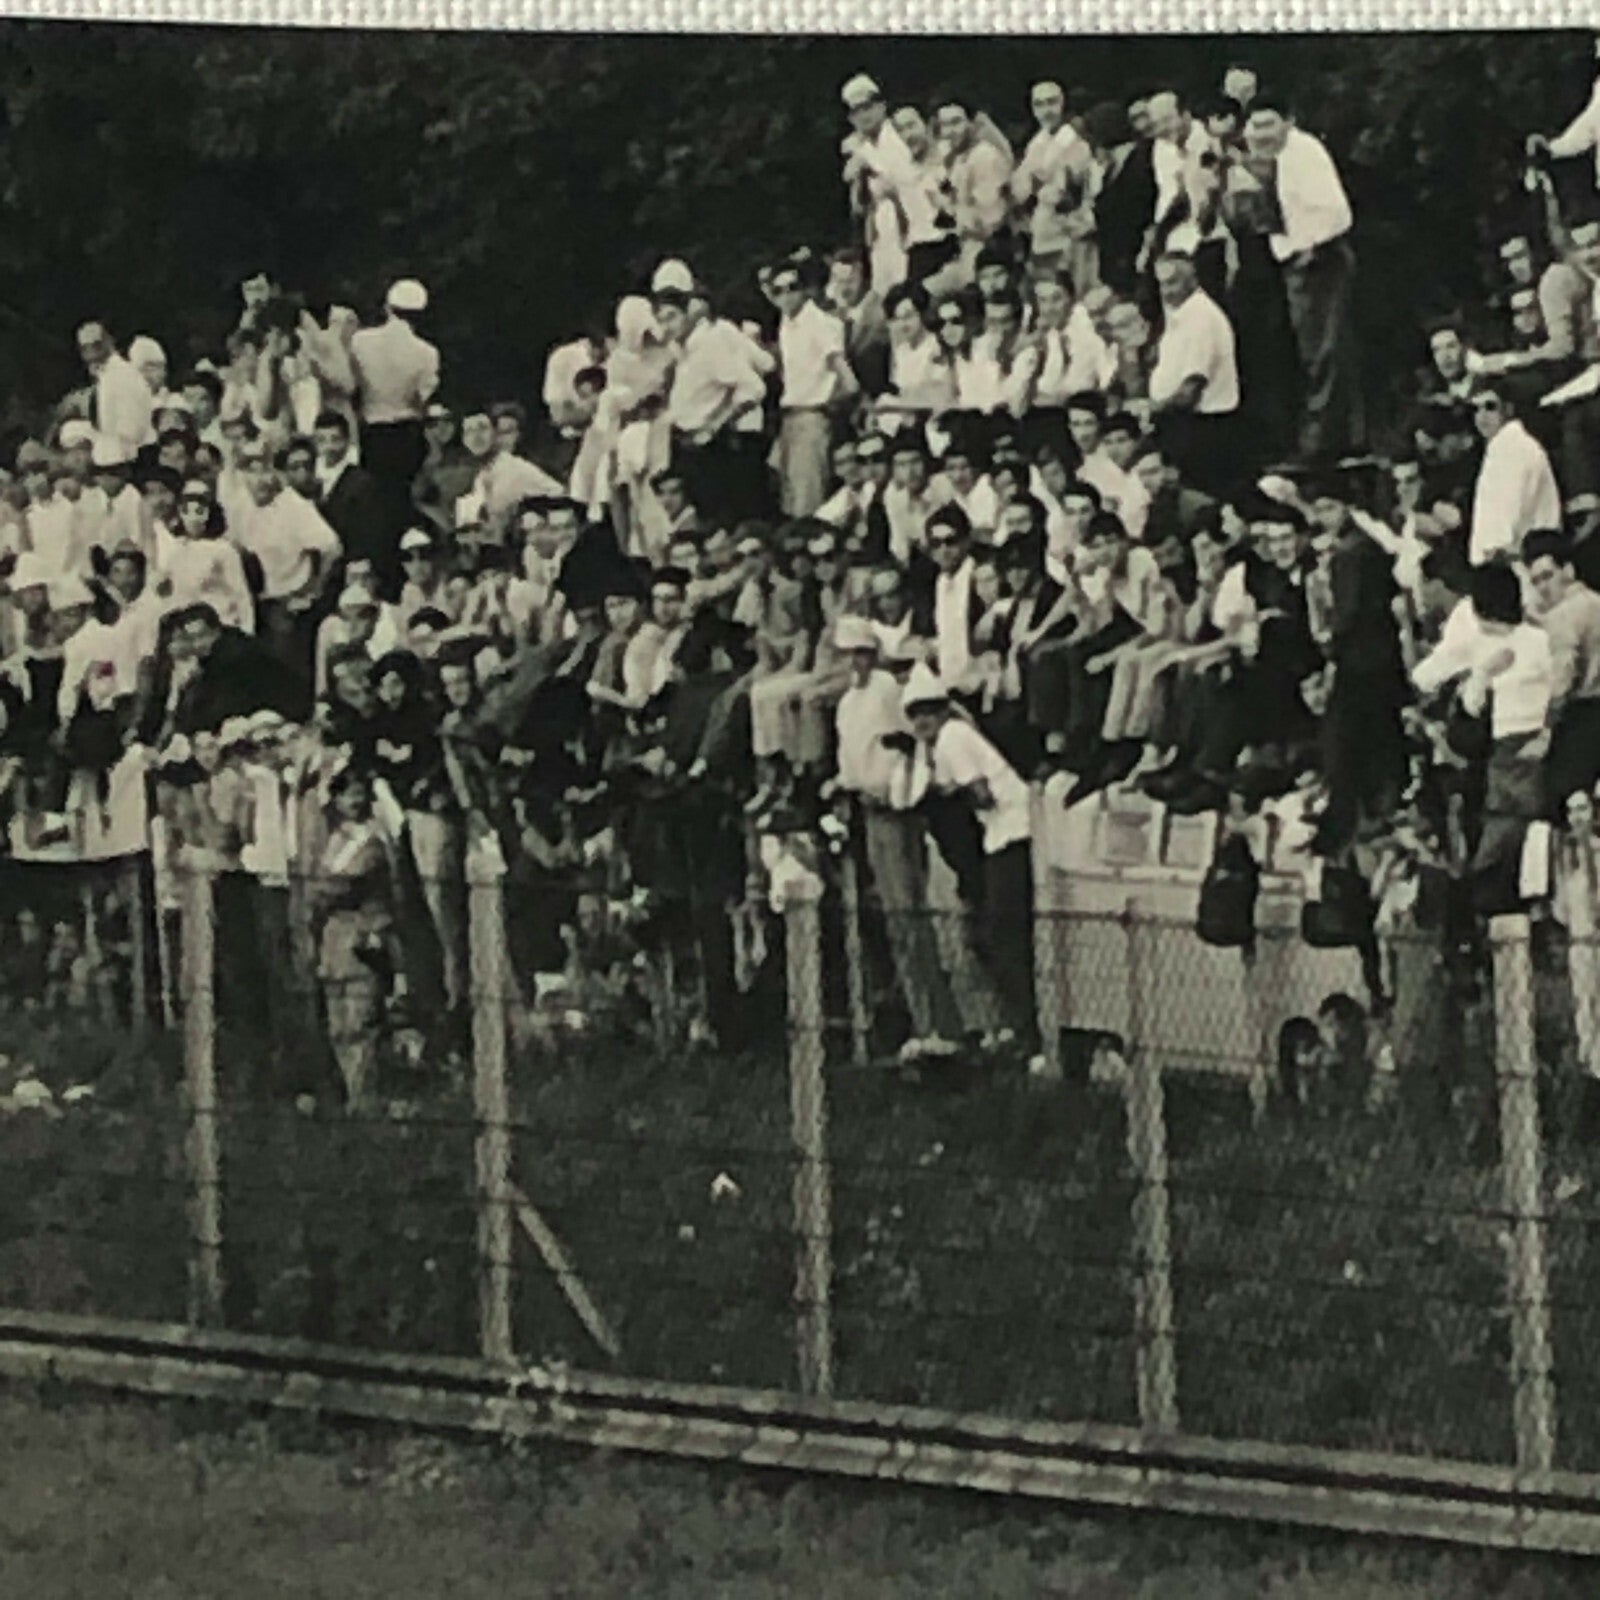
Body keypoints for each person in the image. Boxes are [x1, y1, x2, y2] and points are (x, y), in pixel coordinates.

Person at [891, 662, 1036, 1055]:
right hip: (1001, 835)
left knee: (1004, 936)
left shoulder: (953, 738)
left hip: (1014, 831)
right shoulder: (943, 743)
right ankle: (1023, 1028)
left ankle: (1030, 1032)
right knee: (999, 935)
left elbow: (983, 794)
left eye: (928, 711)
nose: (922, 720)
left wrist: (947, 789)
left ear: (942, 710)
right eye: (915, 713)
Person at [1245, 96, 1363, 458]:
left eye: (1269, 124)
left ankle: (1329, 441)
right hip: (1293, 264)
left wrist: (1309, 250)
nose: (1261, 133)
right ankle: (1325, 436)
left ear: (1288, 121)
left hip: (1320, 261)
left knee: (1327, 351)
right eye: (1255, 125)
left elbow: (1337, 213)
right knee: (1308, 352)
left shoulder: (1306, 153)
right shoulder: (1267, 160)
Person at [348, 279, 440, 589]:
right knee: (402, 506)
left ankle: (381, 574)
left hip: (373, 431)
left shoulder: (361, 341)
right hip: (406, 432)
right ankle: (404, 578)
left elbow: (353, 386)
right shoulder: (427, 353)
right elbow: (421, 399)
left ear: (387, 308)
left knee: (375, 509)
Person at [654, 283, 770, 528]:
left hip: (714, 449)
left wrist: (716, 423)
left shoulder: (710, 343)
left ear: (687, 314)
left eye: (672, 317)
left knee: (722, 521)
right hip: (686, 447)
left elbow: (753, 387)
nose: (668, 326)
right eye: (661, 320)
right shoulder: (680, 350)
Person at [227, 437, 341, 675]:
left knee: (284, 673)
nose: (259, 478)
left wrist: (313, 590)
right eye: (250, 470)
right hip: (251, 604)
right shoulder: (238, 505)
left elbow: (332, 548)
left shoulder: (294, 505)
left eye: (264, 469)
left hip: (285, 607)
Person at [1148, 251, 1241, 496]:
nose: (1166, 292)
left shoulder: (1201, 318)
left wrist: (1151, 410)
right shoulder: (1182, 315)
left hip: (1202, 431)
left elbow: (1190, 390)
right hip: (1185, 426)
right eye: (1161, 284)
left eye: (1172, 283)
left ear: (1192, 280)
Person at [771, 262, 857, 518]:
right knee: (787, 498)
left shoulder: (820, 323)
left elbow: (849, 381)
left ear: (805, 290)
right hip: (789, 418)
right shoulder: (787, 324)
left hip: (812, 417)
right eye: (778, 290)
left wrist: (825, 403)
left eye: (792, 288)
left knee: (807, 503)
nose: (786, 295)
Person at [1525, 527, 1600, 807]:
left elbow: (1563, 677)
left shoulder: (1565, 615)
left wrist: (1546, 731)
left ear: (1567, 570)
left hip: (1583, 715)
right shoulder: (1595, 602)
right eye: (1536, 581)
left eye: (1548, 576)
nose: (1544, 587)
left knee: (1563, 799)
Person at [1011, 80, 1097, 290]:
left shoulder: (1077, 144)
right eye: (1039, 105)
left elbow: (1065, 194)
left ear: (1062, 105)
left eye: (1051, 103)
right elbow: (1020, 190)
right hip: (1042, 235)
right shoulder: (1035, 144)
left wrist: (1037, 185)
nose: (1046, 111)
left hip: (1070, 236)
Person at [1468, 382, 1561, 566]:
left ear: (1508, 408)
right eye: (1476, 409)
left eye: (1490, 407)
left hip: (1517, 563)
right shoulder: (1501, 447)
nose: (1482, 416)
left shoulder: (1513, 448)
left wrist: (1495, 552)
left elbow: (1509, 508)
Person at [310, 409, 387, 578]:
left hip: (350, 569)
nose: (328, 447)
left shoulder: (362, 483)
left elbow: (368, 535)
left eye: (335, 440)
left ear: (346, 441)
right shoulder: (311, 481)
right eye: (321, 440)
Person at [77, 321, 154, 463]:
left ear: (109, 342)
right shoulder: (103, 377)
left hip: (129, 457)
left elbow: (131, 429)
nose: (91, 352)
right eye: (85, 348)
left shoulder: (123, 374)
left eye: (96, 345)